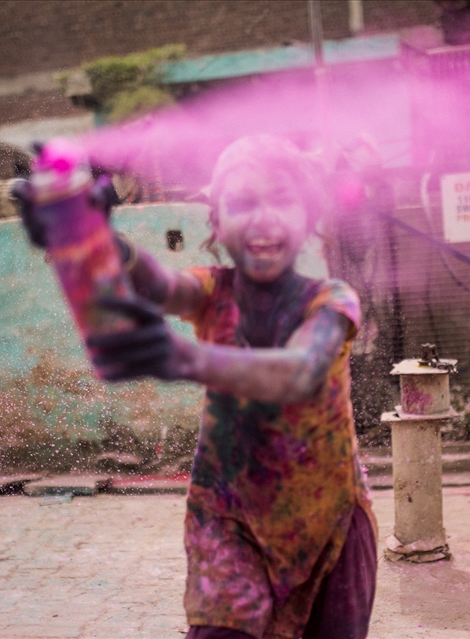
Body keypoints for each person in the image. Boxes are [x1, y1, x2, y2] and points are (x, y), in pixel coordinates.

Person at [88, 135, 377, 639]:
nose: (263, 220)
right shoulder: (210, 291)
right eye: (242, 203)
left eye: (282, 200)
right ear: (217, 222)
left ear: (309, 217)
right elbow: (157, 285)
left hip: (328, 523)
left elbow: (300, 371)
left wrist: (185, 356)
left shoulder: (331, 300)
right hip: (228, 515)